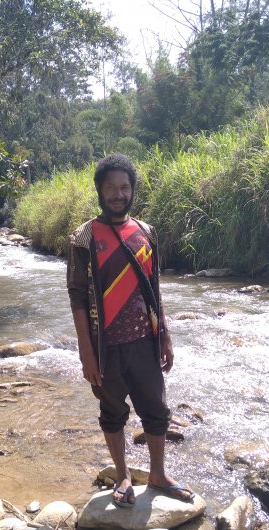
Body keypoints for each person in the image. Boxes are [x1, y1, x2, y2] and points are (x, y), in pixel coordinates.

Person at [67, 153, 194, 507]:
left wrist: (165, 334)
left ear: (132, 190)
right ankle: (122, 475)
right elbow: (76, 295)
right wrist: (86, 351)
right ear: (100, 191)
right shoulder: (84, 237)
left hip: (144, 342)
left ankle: (157, 474)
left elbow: (154, 289)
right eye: (111, 188)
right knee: (112, 412)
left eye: (124, 187)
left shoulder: (147, 232)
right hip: (104, 346)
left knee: (156, 409)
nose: (118, 194)